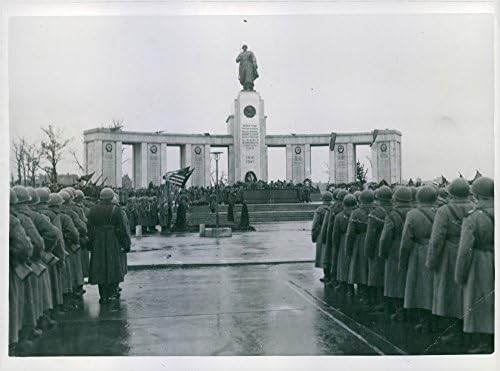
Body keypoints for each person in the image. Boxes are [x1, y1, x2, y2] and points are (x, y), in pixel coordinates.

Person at [427, 177, 474, 344]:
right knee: (467, 291)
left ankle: (454, 332)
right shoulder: (475, 208)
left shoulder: (444, 211)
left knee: (449, 291)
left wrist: (431, 261)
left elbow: (437, 239)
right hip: (471, 253)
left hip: (448, 254)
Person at [455, 176, 494, 353]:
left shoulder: (473, 218)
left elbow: (464, 251)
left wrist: (460, 274)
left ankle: (485, 343)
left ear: (476, 195)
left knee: (481, 302)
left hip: (481, 262)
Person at [399, 186, 438, 333]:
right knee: (434, 285)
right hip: (437, 251)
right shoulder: (440, 211)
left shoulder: (413, 214)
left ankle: (425, 321)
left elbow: (406, 240)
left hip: (418, 253)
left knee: (421, 287)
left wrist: (403, 260)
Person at [87, 188, 131, 304]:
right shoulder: (116, 210)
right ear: (111, 198)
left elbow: (89, 229)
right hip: (112, 240)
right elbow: (122, 229)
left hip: (98, 241)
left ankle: (103, 296)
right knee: (112, 267)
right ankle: (111, 294)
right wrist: (125, 243)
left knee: (99, 268)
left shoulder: (93, 209)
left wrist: (91, 243)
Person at [379, 186, 413, 320]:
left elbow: (385, 237)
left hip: (394, 248)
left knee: (395, 280)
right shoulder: (415, 212)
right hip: (412, 247)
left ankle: (399, 311)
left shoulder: (392, 214)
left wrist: (383, 252)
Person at [364, 186, 392, 308]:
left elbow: (370, 235)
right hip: (393, 246)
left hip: (377, 245)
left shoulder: (375, 212)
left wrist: (368, 251)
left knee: (377, 274)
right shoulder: (395, 209)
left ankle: (380, 301)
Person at [346, 189, 375, 303]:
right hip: (374, 241)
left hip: (360, 242)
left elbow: (350, 234)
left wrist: (348, 249)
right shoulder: (378, 211)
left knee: (360, 268)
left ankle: (363, 294)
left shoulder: (356, 213)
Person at [332, 194, 358, 295]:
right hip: (356, 240)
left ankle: (348, 288)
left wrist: (335, 244)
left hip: (343, 241)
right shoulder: (357, 213)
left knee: (343, 264)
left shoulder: (339, 216)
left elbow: (335, 233)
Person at [311, 192, 332, 282]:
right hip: (331, 234)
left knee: (323, 255)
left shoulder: (319, 210)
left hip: (321, 234)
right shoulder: (333, 209)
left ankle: (326, 275)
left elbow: (315, 224)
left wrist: (314, 236)